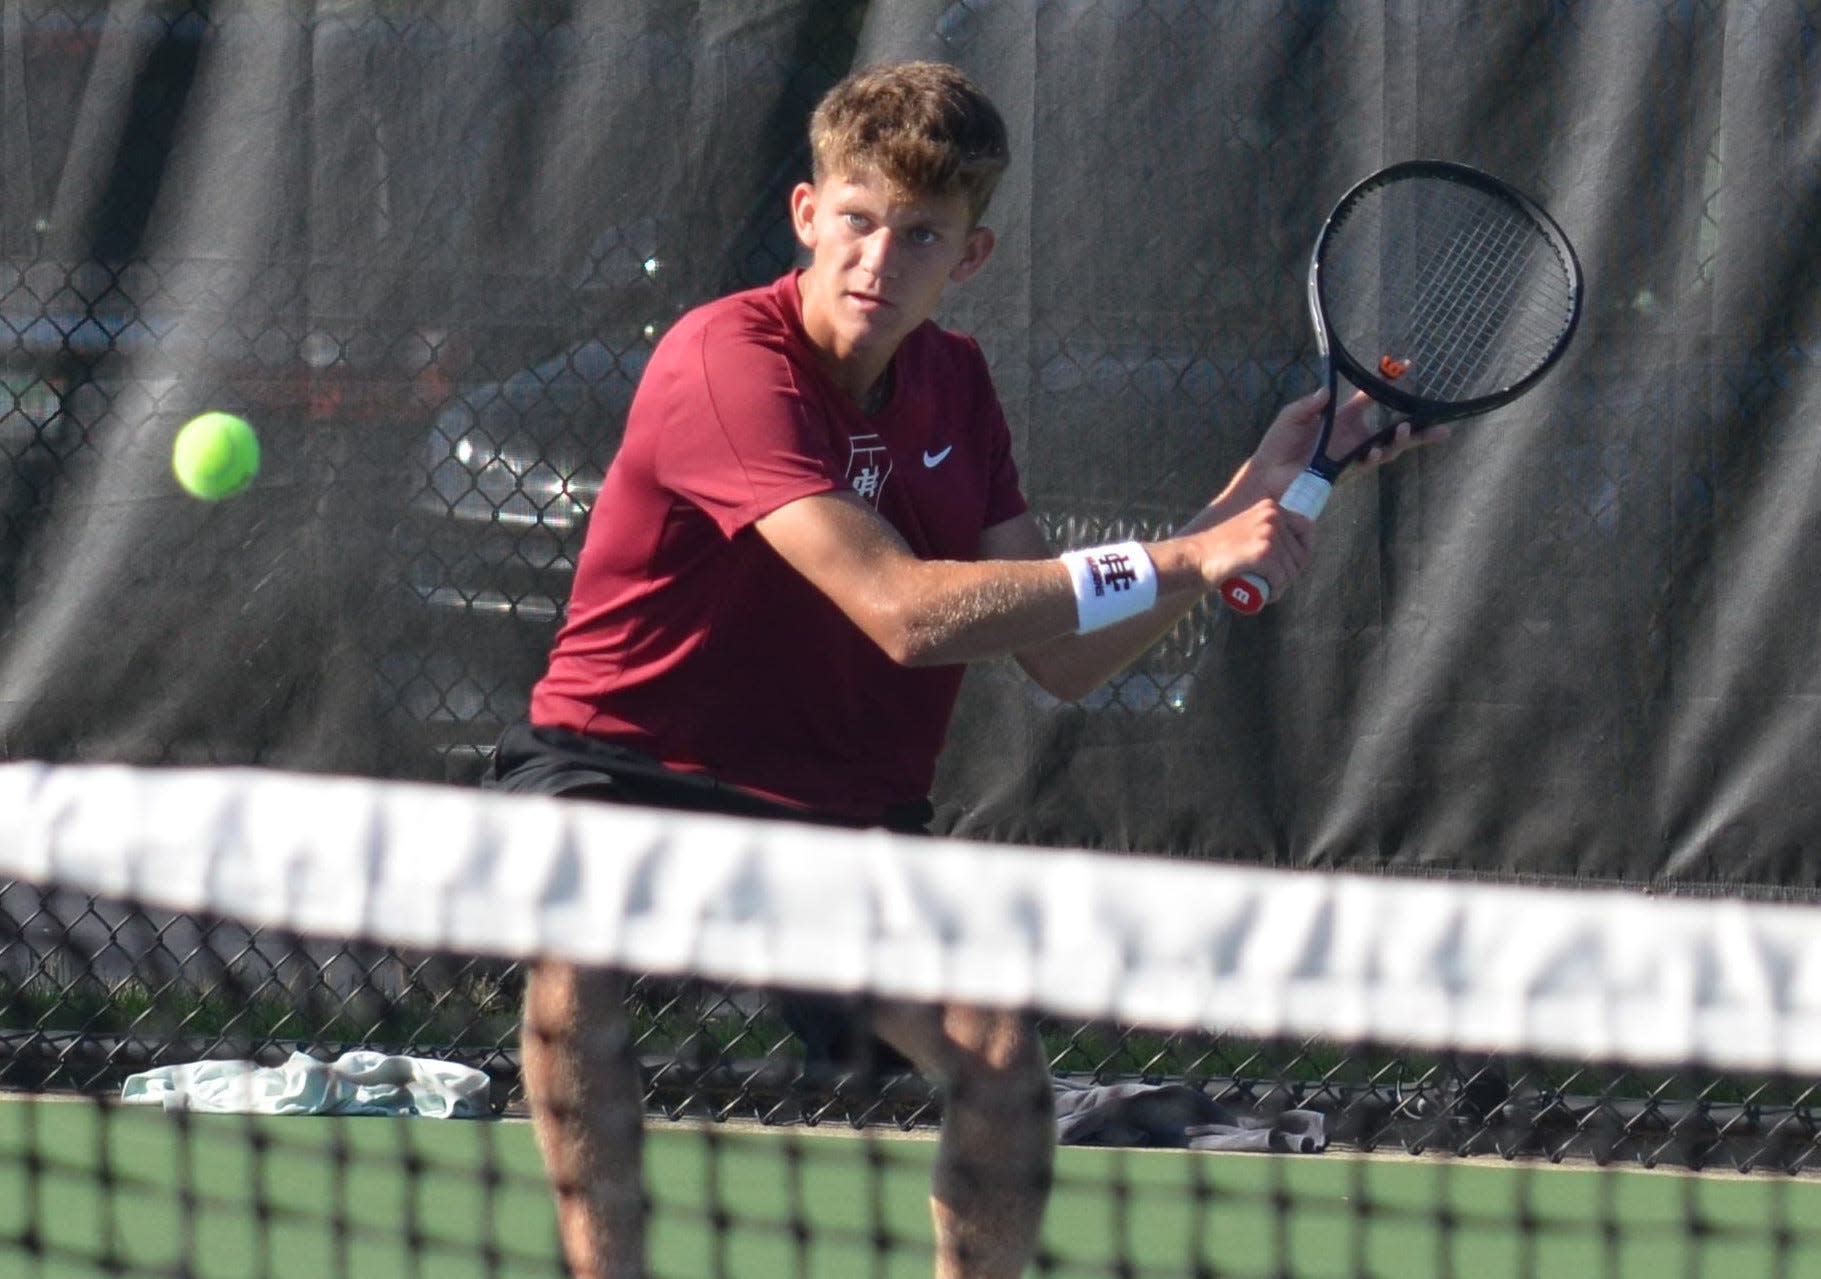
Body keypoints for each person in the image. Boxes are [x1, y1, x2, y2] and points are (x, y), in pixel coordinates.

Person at [488, 60, 1428, 1279]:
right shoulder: (726, 361)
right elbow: (898, 610)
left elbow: (1061, 655)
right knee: (579, 956)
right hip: (620, 769)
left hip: (832, 818)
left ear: (966, 258)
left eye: (921, 234)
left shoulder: (955, 387)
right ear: (806, 215)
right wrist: (1187, 551)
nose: (880, 258)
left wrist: (1247, 497)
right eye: (860, 218)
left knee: (996, 1058)